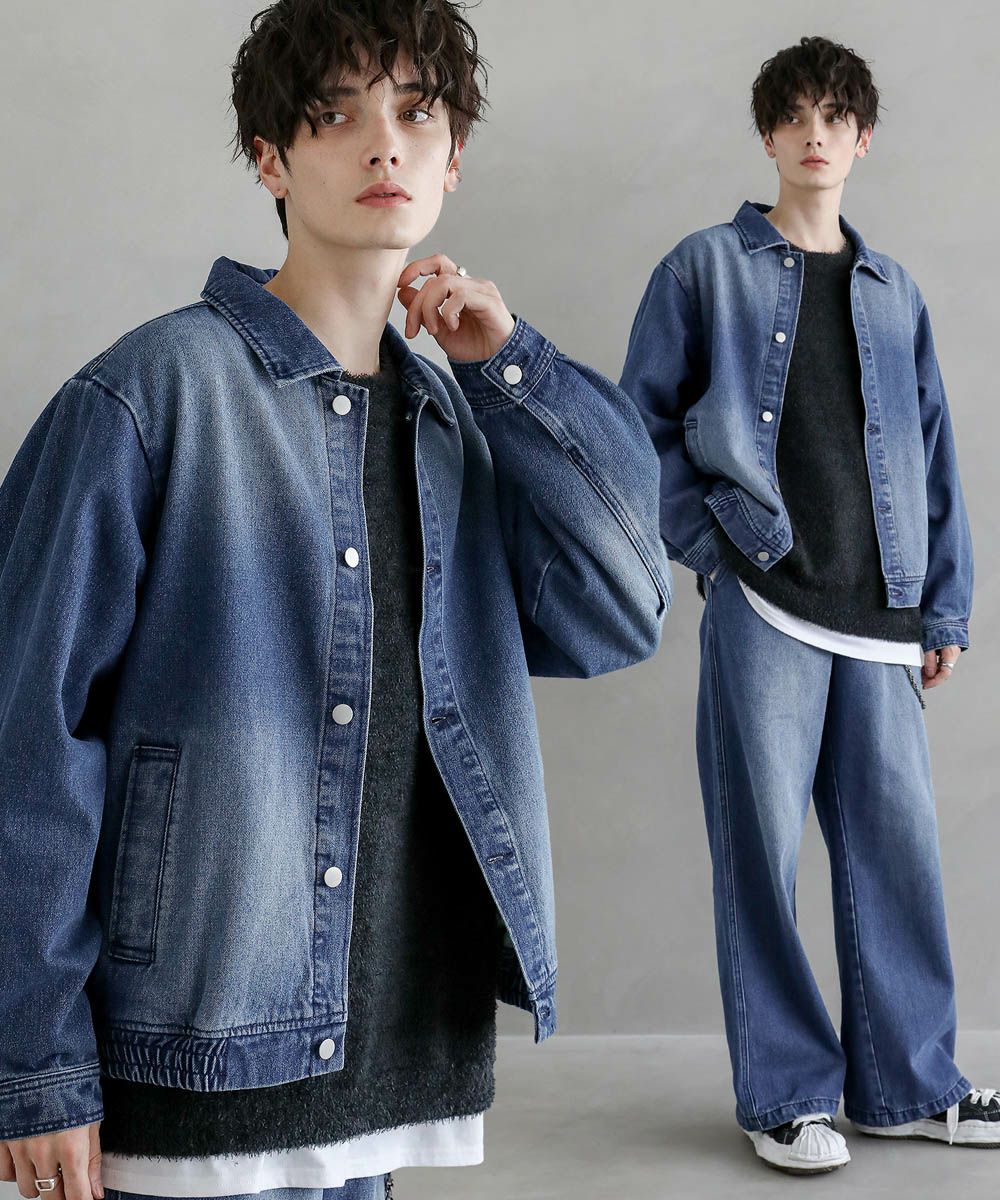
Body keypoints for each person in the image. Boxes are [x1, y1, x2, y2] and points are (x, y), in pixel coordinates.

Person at [0, 1, 671, 1197]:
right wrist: (36, 1064)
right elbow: (25, 743)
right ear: (271, 160)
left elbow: (623, 605)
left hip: (389, 1069)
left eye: (416, 114)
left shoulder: (458, 421)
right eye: (336, 114)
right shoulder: (147, 398)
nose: (383, 144)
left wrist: (512, 368)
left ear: (453, 159)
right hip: (196, 1060)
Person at [619, 33, 996, 1177]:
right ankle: (785, 1095)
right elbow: (639, 430)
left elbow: (933, 455)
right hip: (768, 605)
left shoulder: (894, 292)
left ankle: (907, 1085)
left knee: (896, 856)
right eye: (794, 115)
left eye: (835, 116)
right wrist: (716, 551)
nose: (814, 133)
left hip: (879, 616)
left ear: (862, 138)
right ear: (769, 134)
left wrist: (943, 608)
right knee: (762, 857)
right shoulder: (704, 269)